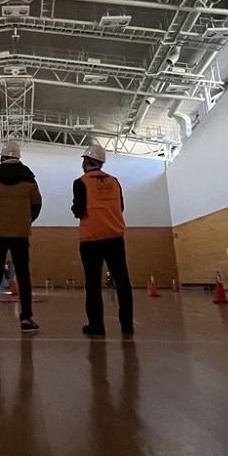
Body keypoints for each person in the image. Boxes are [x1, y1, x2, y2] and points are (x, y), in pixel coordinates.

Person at [0, 141, 42, 333]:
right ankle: (26, 319)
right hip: (21, 233)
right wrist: (25, 221)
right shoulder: (29, 177)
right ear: (18, 157)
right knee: (23, 275)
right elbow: (37, 204)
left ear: (2, 157)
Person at [71, 144, 134, 338]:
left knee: (93, 284)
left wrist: (76, 209)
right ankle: (127, 325)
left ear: (86, 162)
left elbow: (79, 210)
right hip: (115, 237)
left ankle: (96, 326)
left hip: (91, 239)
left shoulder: (80, 182)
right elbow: (120, 207)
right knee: (122, 281)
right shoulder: (114, 181)